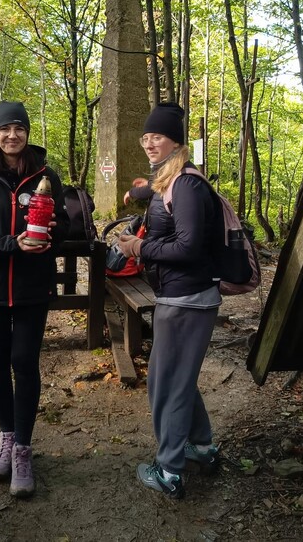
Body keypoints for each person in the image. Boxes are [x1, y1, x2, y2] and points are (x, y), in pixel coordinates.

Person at [0, 100, 69, 498]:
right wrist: (12, 243)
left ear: (27, 133)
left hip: (31, 287)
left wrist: (53, 228)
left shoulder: (46, 176)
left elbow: (64, 227)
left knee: (24, 362)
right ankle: (6, 439)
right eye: (4, 129)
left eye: (19, 128)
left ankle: (23, 448)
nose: (12, 135)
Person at [116, 102, 223, 500]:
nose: (149, 143)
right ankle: (202, 447)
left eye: (157, 137)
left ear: (175, 142)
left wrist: (139, 247)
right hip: (180, 296)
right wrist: (136, 199)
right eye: (145, 137)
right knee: (178, 378)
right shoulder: (170, 179)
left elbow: (189, 247)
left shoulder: (187, 185)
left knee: (167, 384)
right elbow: (153, 196)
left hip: (186, 299)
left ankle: (169, 471)